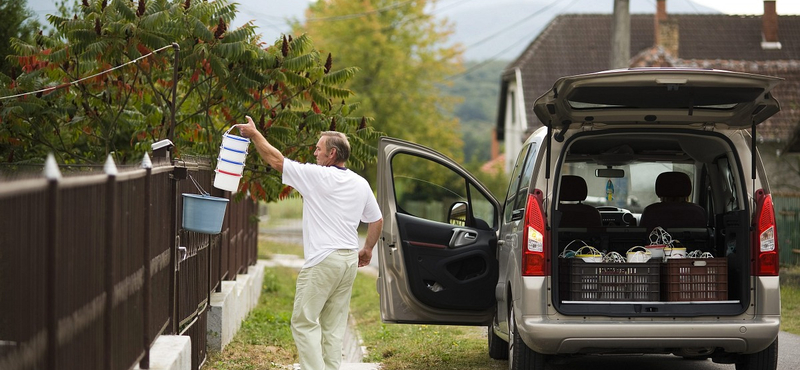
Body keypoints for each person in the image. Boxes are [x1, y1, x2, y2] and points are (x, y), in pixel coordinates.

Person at [237, 116, 383, 370]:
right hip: (348, 259)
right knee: (334, 326)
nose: (314, 152)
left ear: (332, 153)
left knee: (304, 323)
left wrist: (255, 134)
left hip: (323, 261)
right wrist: (367, 250)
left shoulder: (318, 177)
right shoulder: (361, 183)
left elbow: (276, 160)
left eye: (318, 148)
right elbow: (377, 220)